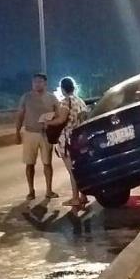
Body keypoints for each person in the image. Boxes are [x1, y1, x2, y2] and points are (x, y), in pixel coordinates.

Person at [15, 73, 59, 201]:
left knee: (47, 163)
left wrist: (52, 124)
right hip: (30, 133)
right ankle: (31, 190)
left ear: (45, 83)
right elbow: (20, 115)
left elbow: (59, 114)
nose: (37, 84)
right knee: (29, 164)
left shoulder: (52, 98)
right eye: (34, 82)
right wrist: (17, 132)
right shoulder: (26, 97)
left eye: (40, 82)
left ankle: (49, 190)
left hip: (46, 135)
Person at [45, 77, 87, 209]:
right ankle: (83, 195)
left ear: (63, 89)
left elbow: (61, 120)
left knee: (72, 170)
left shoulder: (65, 102)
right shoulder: (80, 101)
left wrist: (47, 123)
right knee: (80, 168)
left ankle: (75, 198)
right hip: (79, 137)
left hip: (67, 139)